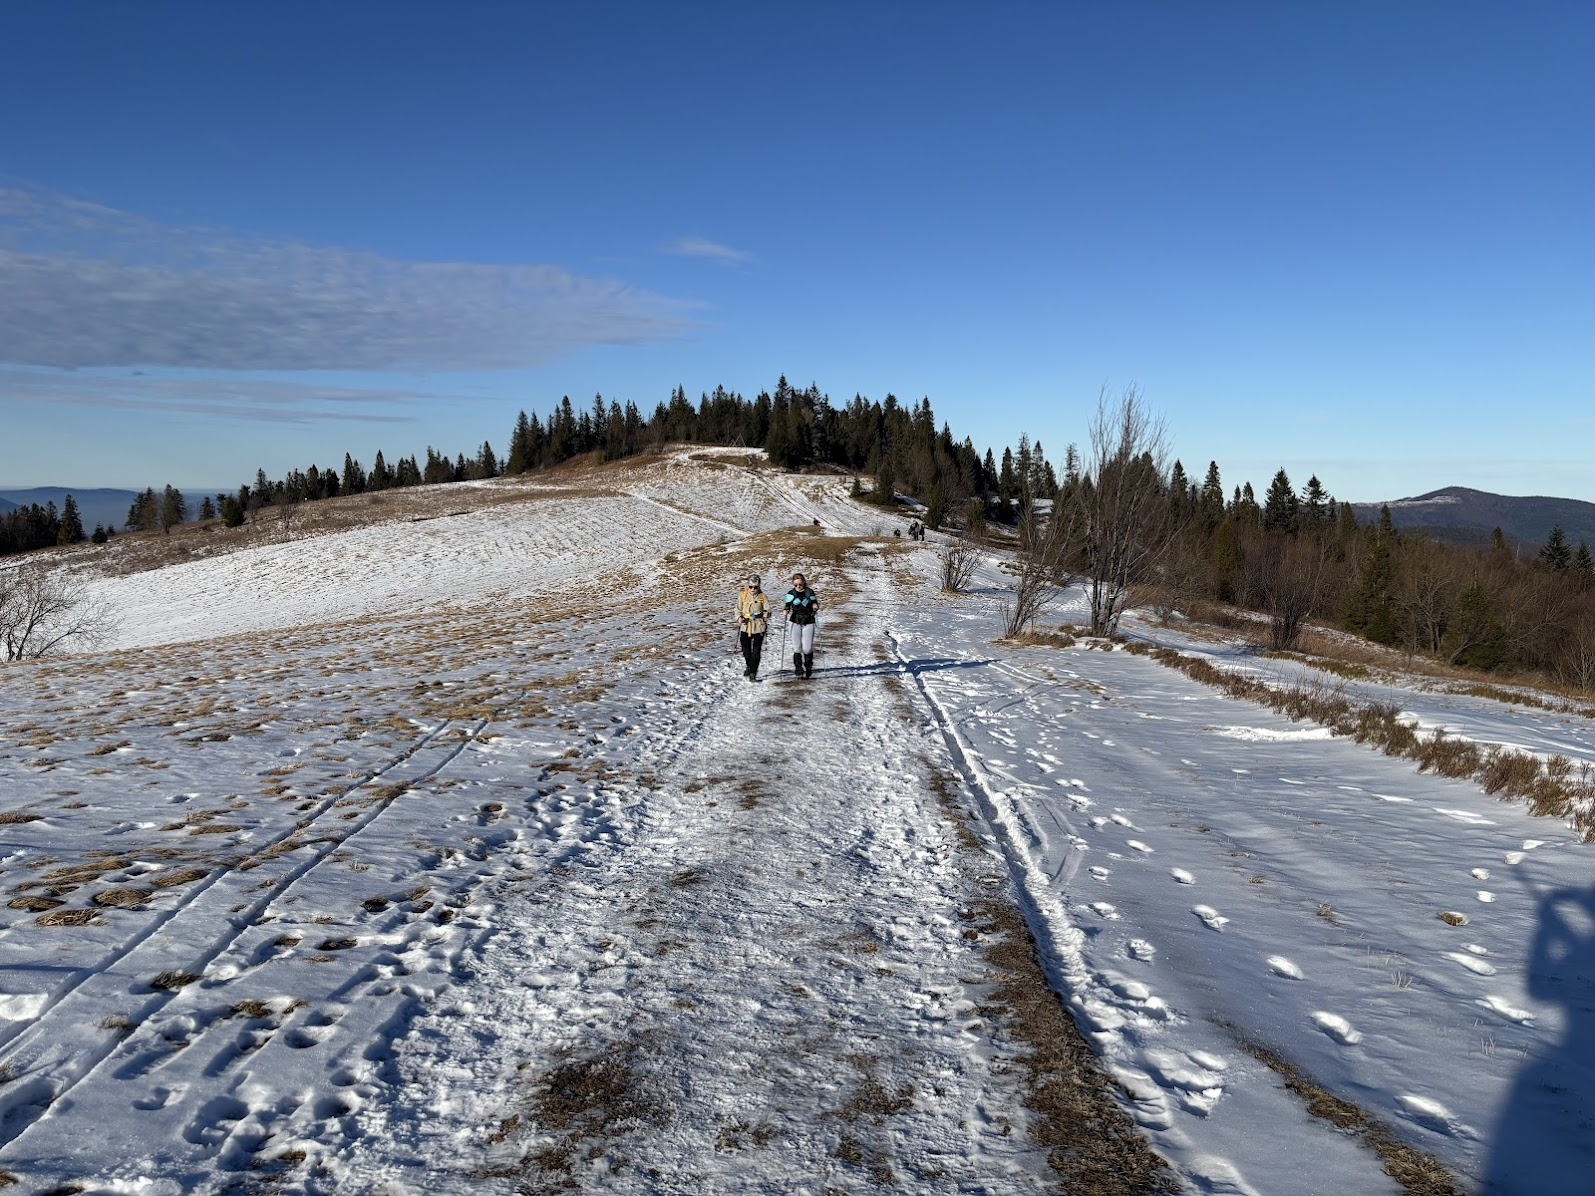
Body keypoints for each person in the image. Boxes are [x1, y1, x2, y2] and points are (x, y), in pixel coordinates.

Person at [784, 572, 819, 678]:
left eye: (800, 584)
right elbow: (787, 606)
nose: (798, 587)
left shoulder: (809, 592)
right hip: (795, 621)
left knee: (807, 648)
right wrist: (785, 610)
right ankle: (798, 668)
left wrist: (815, 606)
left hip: (808, 621)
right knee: (797, 647)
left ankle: (808, 666)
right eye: (796, 585)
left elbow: (815, 603)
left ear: (804, 582)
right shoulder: (791, 594)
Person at [736, 575, 771, 680]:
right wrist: (738, 617)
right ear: (748, 585)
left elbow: (768, 609)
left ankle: (753, 673)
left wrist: (766, 614)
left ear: (759, 586)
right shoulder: (742, 596)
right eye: (751, 587)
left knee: (756, 651)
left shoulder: (762, 596)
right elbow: (737, 609)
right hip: (745, 626)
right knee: (746, 650)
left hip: (759, 626)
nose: (753, 589)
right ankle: (749, 665)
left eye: (755, 587)